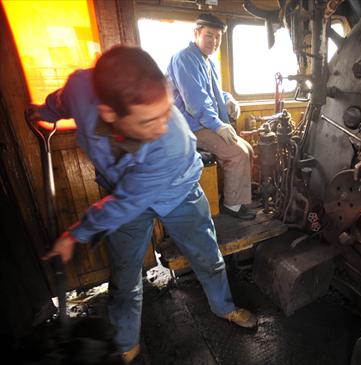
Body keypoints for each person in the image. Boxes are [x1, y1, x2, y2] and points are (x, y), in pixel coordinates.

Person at [28, 46, 257, 364]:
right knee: (124, 275)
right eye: (149, 120)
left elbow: (127, 203)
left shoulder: (174, 140)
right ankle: (126, 342)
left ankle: (224, 307)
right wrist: (46, 112)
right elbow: (63, 101)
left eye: (166, 110)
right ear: (110, 113)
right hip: (119, 192)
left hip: (178, 194)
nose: (164, 125)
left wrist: (75, 234)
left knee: (208, 258)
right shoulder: (82, 87)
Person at [167, 13, 256, 220]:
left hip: (202, 122)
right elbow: (196, 102)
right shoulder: (184, 59)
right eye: (209, 35)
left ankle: (233, 197)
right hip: (187, 127)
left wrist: (229, 99)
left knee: (248, 150)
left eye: (217, 37)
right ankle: (232, 206)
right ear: (196, 34)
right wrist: (218, 126)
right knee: (238, 154)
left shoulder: (207, 62)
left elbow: (214, 91)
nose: (214, 41)